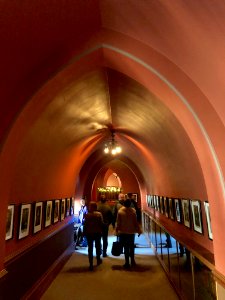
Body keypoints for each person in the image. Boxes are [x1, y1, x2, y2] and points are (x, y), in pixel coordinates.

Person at [116, 198, 142, 268]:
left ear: (124, 204)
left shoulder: (120, 211)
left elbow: (118, 223)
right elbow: (135, 222)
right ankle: (132, 261)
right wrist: (139, 230)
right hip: (131, 232)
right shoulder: (133, 211)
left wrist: (117, 230)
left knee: (126, 247)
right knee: (131, 247)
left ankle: (127, 262)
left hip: (123, 232)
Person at [83, 201, 104, 271]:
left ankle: (91, 264)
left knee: (90, 248)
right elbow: (101, 223)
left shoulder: (87, 215)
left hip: (89, 233)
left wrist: (84, 233)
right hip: (97, 232)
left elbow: (85, 225)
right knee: (98, 247)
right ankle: (98, 260)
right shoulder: (99, 214)